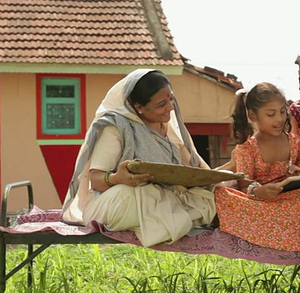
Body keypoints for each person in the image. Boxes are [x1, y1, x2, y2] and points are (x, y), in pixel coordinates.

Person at [61, 69, 216, 247]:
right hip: (119, 201)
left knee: (208, 196)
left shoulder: (168, 128)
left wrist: (223, 179)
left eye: (171, 99)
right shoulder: (115, 127)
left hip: (164, 198)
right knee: (135, 195)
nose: (170, 107)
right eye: (161, 104)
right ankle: (174, 218)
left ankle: (171, 217)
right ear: (139, 107)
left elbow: (197, 172)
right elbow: (95, 181)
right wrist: (117, 178)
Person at [213, 82, 300, 251]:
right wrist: (258, 191)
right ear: (253, 116)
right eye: (271, 114)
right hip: (261, 204)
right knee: (222, 195)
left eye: (282, 112)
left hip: (289, 199)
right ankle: (294, 228)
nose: (279, 119)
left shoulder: (294, 142)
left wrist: (299, 173)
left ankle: (293, 228)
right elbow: (243, 186)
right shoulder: (247, 148)